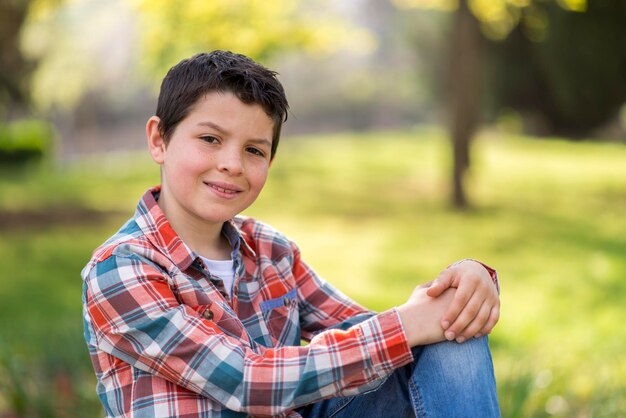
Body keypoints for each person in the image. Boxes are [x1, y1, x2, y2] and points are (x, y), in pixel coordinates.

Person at [82, 50, 501, 418]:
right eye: (210, 139)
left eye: (254, 150)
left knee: (451, 334)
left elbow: (375, 334)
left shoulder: (272, 251)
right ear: (159, 139)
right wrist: (408, 325)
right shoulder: (121, 268)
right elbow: (243, 380)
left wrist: (462, 283)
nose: (232, 163)